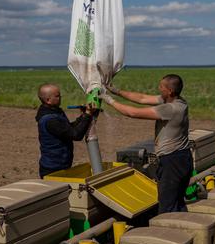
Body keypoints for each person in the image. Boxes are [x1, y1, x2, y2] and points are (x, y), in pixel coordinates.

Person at [101, 74, 191, 214]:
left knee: (167, 206)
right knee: (177, 202)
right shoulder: (178, 101)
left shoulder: (170, 109)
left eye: (161, 86)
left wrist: (110, 101)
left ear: (170, 91)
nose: (158, 88)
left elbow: (133, 113)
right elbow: (142, 98)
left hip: (172, 161)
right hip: (182, 158)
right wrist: (117, 91)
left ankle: (169, 232)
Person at [36, 83, 96, 178]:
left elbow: (68, 128)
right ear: (48, 100)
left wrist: (84, 116)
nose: (60, 97)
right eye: (57, 96)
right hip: (53, 169)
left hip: (60, 165)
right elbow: (76, 135)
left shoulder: (55, 112)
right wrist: (88, 114)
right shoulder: (51, 120)